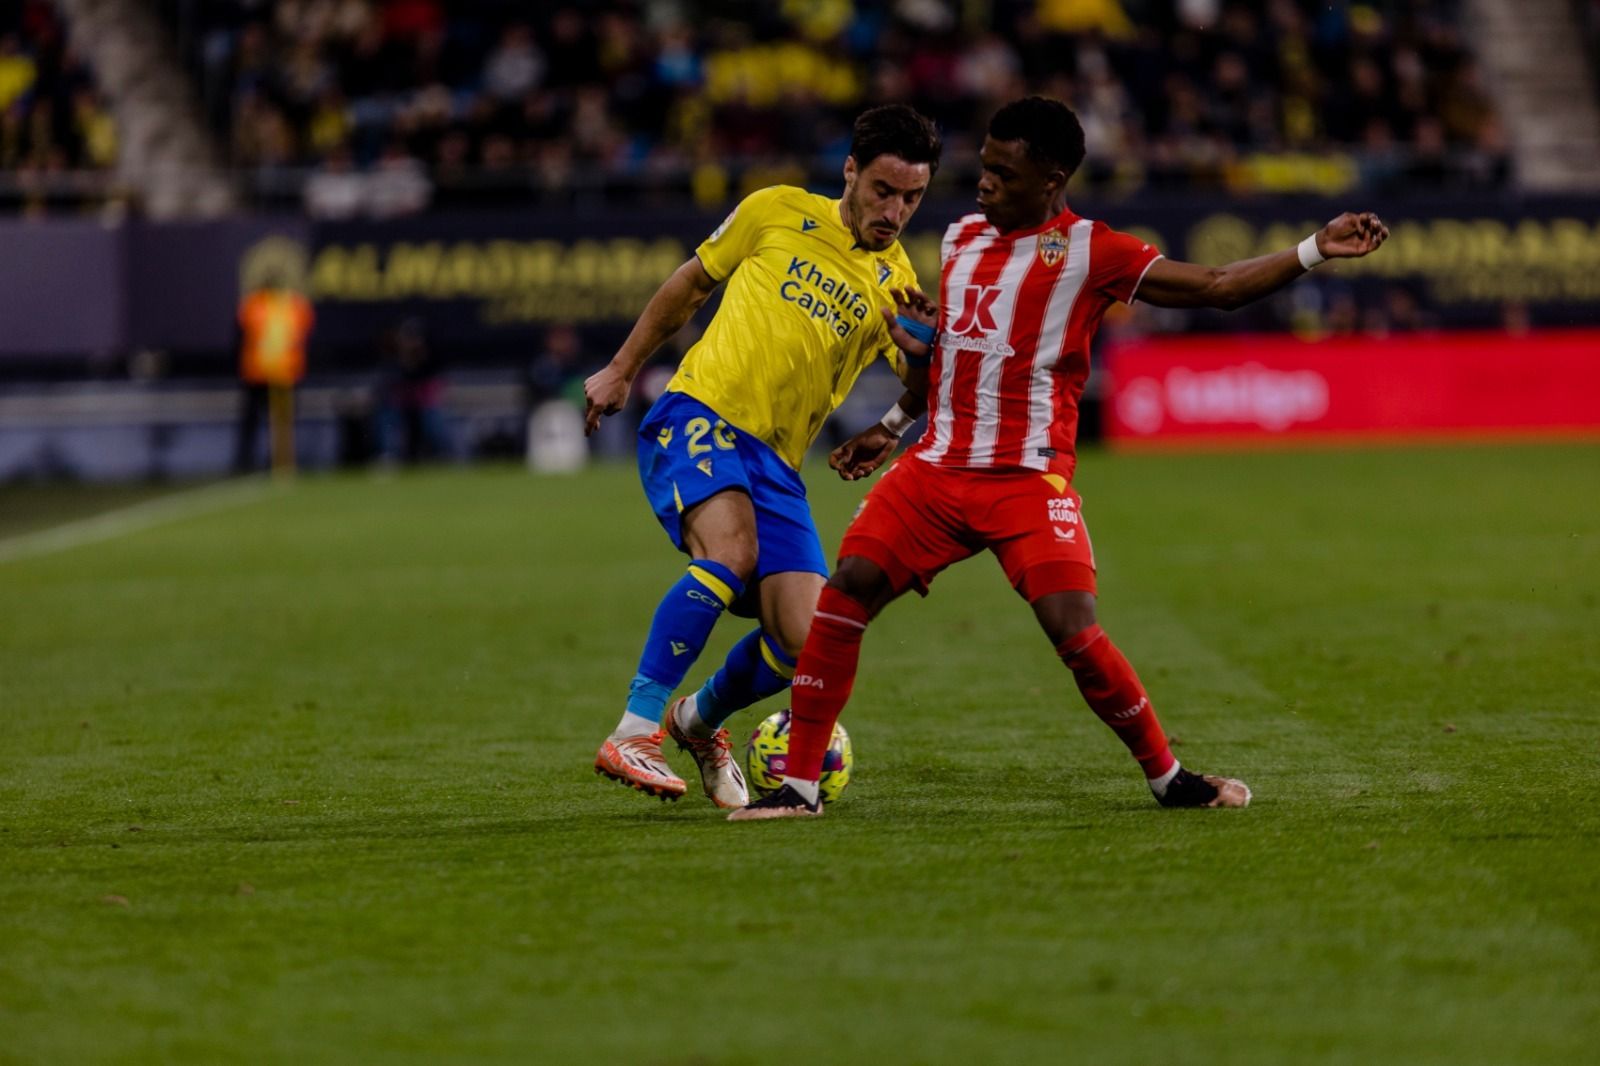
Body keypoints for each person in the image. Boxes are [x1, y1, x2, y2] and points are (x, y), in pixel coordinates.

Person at [729, 96, 1389, 820]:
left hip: (1025, 478)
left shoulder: (1092, 251)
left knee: (1072, 626)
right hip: (937, 469)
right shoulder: (961, 238)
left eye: (1004, 174)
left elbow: (1217, 287)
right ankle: (798, 789)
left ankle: (1169, 777)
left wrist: (1315, 248)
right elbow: (957, 354)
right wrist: (893, 424)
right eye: (984, 165)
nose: (984, 183)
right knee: (846, 590)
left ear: (1051, 181)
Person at [582, 104, 943, 808]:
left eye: (912, 197)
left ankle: (696, 721)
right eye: (883, 190)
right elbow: (691, 283)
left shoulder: (897, 283)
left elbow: (921, 384)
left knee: (807, 641)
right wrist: (623, 368)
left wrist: (913, 387)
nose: (895, 212)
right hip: (702, 412)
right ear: (850, 171)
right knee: (732, 552)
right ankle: (635, 729)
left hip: (778, 466)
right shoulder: (776, 209)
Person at [234, 274, 315, 474]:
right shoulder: (258, 305)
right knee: (256, 420)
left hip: (282, 372)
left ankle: (279, 461)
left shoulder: (291, 305)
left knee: (282, 420)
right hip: (260, 373)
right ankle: (248, 462)